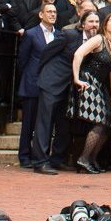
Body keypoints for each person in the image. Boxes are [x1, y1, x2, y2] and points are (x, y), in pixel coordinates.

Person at [31, 11, 98, 174]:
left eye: (97, 21)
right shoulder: (69, 35)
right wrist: (43, 74)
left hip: (69, 87)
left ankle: (57, 160)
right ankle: (40, 162)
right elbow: (48, 52)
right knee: (45, 122)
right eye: (91, 21)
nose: (94, 25)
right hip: (52, 82)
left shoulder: (95, 41)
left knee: (64, 124)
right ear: (83, 24)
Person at [70, 12, 111, 173]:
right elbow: (78, 54)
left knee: (108, 123)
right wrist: (76, 78)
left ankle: (91, 159)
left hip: (100, 85)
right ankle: (83, 159)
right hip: (88, 81)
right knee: (100, 121)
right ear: (105, 24)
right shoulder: (98, 39)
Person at [16, 2, 59, 168]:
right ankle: (24, 156)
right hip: (32, 84)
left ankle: (40, 155)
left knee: (46, 123)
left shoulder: (59, 34)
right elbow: (22, 60)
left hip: (51, 85)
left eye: (54, 12)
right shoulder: (31, 34)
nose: (52, 14)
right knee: (29, 123)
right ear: (41, 15)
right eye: (49, 11)